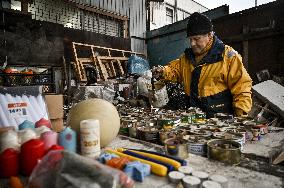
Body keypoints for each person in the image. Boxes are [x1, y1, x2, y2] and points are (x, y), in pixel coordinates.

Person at [152, 12, 252, 118]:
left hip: (220, 122)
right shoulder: (186, 58)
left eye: (196, 39)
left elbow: (242, 87)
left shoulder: (228, 56)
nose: (192, 43)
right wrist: (163, 71)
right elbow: (175, 70)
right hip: (194, 120)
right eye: (190, 39)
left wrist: (240, 115)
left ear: (209, 35)